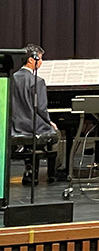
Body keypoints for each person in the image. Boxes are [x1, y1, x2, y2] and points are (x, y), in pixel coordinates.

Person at [11, 44, 59, 185]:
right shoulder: (38, 81)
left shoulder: (11, 78)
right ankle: (52, 173)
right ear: (32, 60)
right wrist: (50, 121)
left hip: (13, 126)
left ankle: (29, 169)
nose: (42, 62)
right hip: (31, 126)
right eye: (41, 58)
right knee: (55, 133)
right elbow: (42, 109)